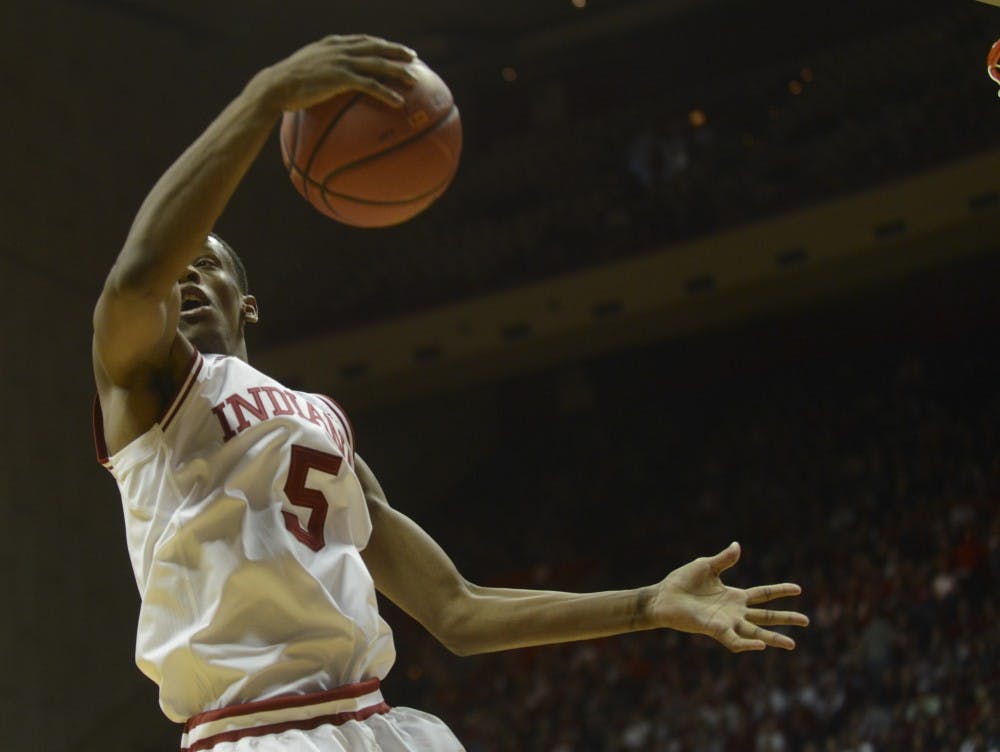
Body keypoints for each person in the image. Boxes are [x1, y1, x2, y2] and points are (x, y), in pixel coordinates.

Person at [91, 35, 809, 752]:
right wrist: (264, 99)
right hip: (253, 732)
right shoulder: (149, 392)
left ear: (248, 304)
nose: (184, 270)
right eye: (180, 260)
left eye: (207, 262)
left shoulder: (321, 421)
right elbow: (136, 276)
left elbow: (456, 609)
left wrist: (647, 604)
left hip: (378, 725)